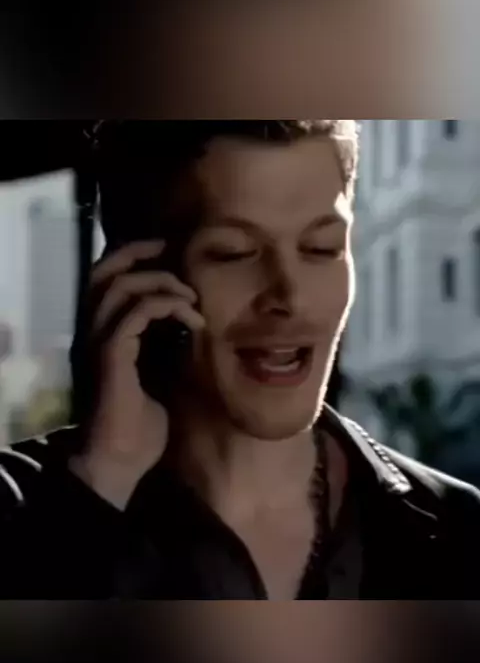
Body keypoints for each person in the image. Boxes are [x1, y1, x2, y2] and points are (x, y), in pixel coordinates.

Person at [1, 119, 479, 599]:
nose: (290, 297)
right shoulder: (19, 510)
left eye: (321, 248)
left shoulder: (457, 529)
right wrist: (97, 485)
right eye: (235, 253)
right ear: (137, 272)